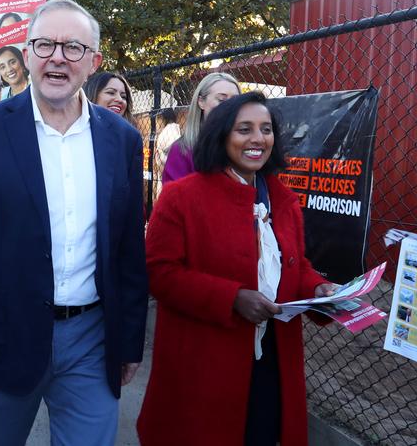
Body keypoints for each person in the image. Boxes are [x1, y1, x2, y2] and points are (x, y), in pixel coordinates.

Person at [0, 0, 148, 446]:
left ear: (93, 62)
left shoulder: (122, 139)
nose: (57, 57)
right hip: (5, 337)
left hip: (91, 340)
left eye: (72, 48)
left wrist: (128, 342)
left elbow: (127, 252)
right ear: (27, 57)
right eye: (44, 45)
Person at [137, 91, 335, 446]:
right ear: (222, 135)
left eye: (266, 129)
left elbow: (295, 264)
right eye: (244, 129)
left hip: (271, 356)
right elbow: (159, 272)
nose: (258, 139)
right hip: (205, 361)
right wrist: (231, 298)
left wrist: (318, 288)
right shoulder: (182, 198)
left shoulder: (283, 199)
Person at [162, 72, 240, 184]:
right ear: (201, 102)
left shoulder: (244, 145)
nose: (230, 106)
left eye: (235, 100)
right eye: (221, 100)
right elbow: (174, 199)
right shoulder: (181, 150)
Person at [153, 108, 181, 196]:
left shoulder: (169, 132)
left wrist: (160, 157)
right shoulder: (174, 130)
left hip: (167, 173)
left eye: (158, 119)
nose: (157, 123)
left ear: (163, 118)